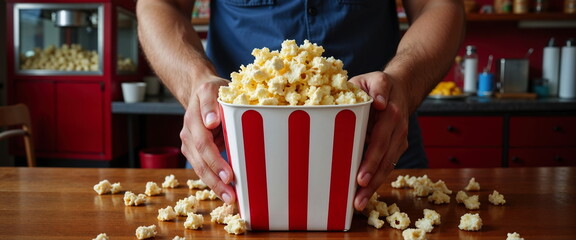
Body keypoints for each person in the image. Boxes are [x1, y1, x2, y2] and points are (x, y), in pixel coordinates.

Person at [137, 0, 464, 211]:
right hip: (230, 161)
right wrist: (195, 79)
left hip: (379, 154)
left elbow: (438, 6)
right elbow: (160, 5)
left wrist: (403, 82)